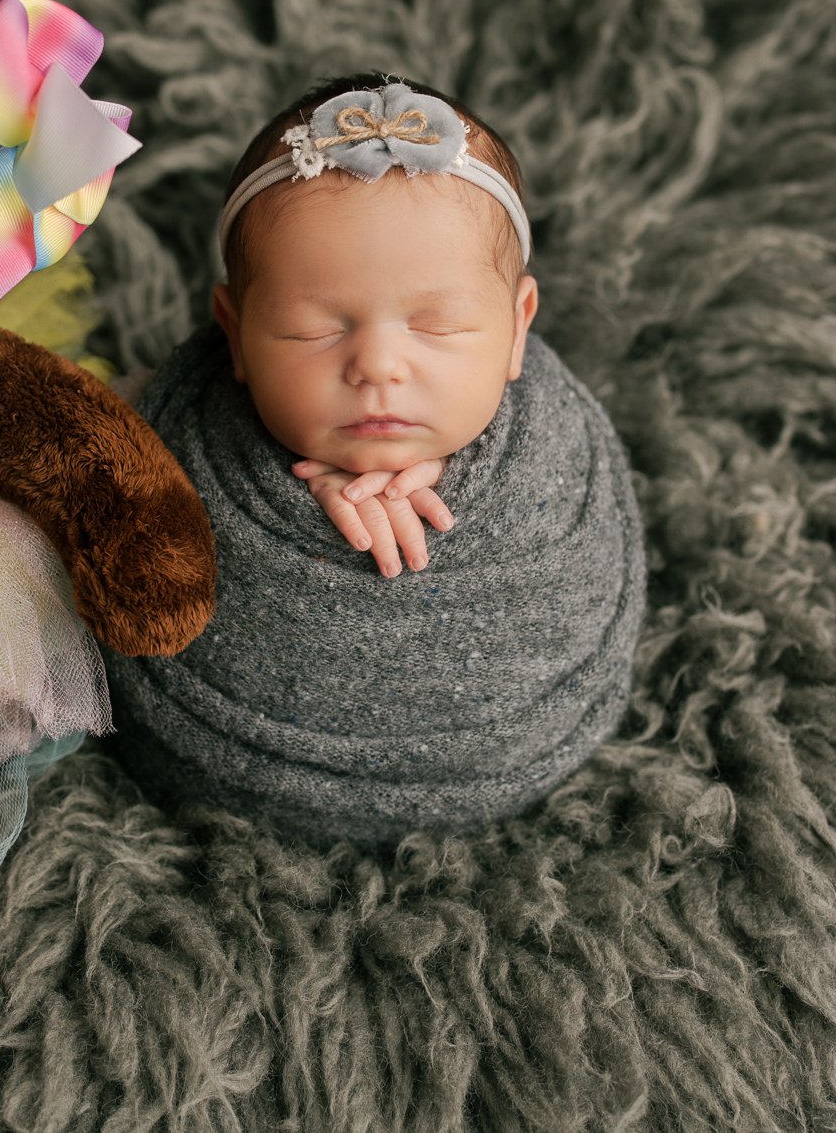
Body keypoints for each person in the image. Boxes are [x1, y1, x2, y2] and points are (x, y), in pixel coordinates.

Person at [104, 74, 647, 848]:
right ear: (234, 335)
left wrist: (471, 481)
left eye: (439, 324)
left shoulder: (557, 465)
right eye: (312, 330)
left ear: (517, 327)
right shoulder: (167, 439)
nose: (378, 365)